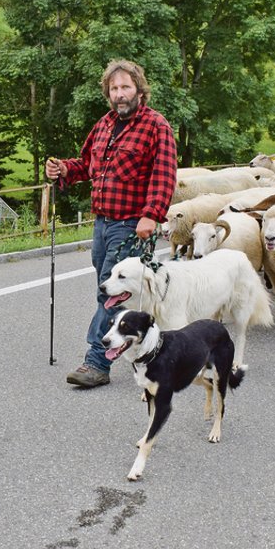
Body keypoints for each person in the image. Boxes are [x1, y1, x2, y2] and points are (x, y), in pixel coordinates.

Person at [46, 60, 177, 387]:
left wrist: (151, 214)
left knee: (107, 293)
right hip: (102, 222)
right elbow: (86, 165)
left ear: (139, 90)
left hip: (131, 224)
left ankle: (96, 363)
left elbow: (164, 175)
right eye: (114, 88)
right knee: (112, 292)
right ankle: (144, 344)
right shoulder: (103, 125)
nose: (120, 94)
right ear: (108, 93)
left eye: (125, 87)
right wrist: (63, 169)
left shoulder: (156, 126)